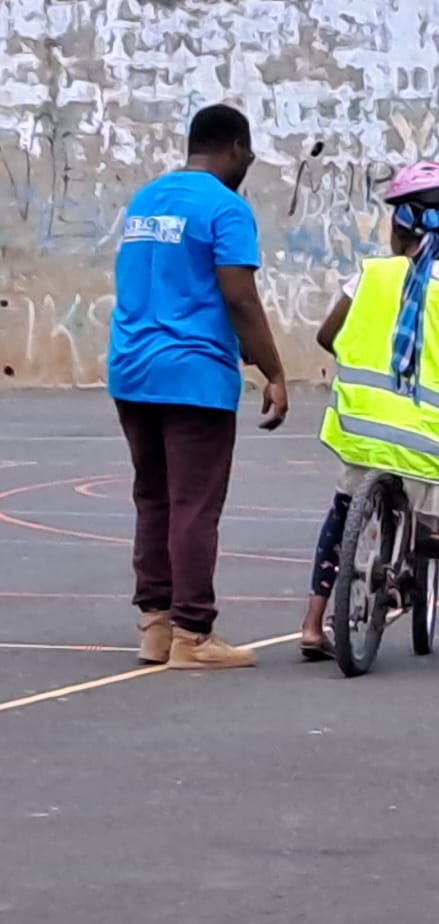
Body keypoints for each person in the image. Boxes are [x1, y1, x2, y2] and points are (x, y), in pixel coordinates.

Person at [298, 160, 439, 673]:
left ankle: (314, 624)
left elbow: (326, 337)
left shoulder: (370, 277)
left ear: (397, 224)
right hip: (432, 441)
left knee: (342, 512)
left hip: (366, 430)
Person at [107, 103, 289, 669]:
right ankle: (193, 633)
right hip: (192, 372)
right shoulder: (226, 209)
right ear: (236, 146)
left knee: (153, 497)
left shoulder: (147, 199)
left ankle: (155, 625)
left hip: (132, 367)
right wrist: (274, 371)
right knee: (194, 504)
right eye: (249, 154)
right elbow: (239, 296)